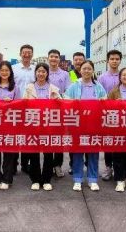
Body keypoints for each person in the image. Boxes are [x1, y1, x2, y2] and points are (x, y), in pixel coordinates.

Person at [65, 60, 107, 192]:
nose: (87, 71)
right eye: (84, 68)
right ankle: (77, 179)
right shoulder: (74, 85)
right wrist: (73, 102)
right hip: (78, 125)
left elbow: (105, 102)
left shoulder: (98, 86)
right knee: (77, 152)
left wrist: (102, 101)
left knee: (93, 153)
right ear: (80, 70)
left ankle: (92, 179)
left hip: (94, 124)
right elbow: (65, 101)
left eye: (89, 69)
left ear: (93, 71)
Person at [23, 63, 62, 191]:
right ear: (35, 73)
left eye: (43, 71)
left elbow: (61, 104)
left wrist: (58, 100)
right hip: (33, 124)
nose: (41, 74)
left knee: (48, 154)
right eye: (39, 71)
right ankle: (35, 179)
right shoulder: (29, 88)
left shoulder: (53, 88)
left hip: (49, 125)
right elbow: (23, 104)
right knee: (33, 153)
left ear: (47, 73)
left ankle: (46, 179)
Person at [0, 61, 21, 190]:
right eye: (2, 70)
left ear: (10, 73)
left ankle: (7, 178)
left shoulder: (15, 87)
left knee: (9, 153)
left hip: (9, 124)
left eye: (7, 70)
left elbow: (19, 105)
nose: (4, 73)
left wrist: (12, 103)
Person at [98, 49, 122, 181]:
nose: (114, 61)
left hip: (122, 115)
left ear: (120, 61)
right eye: (112, 59)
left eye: (117, 59)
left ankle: (121, 168)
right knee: (108, 142)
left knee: (120, 142)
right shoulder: (102, 78)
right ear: (108, 61)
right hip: (107, 114)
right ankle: (108, 167)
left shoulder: (124, 75)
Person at [12, 44, 36, 174]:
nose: (27, 55)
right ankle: (14, 163)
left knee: (28, 137)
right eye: (24, 52)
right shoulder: (13, 68)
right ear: (20, 54)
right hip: (16, 107)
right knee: (16, 137)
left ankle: (26, 164)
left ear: (32, 54)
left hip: (32, 108)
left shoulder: (36, 69)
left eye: (29, 53)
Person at [47, 49, 70, 178]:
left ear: (59, 59)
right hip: (46, 111)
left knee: (59, 139)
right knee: (48, 138)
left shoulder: (66, 74)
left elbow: (67, 91)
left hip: (60, 110)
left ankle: (58, 165)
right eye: (51, 57)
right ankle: (49, 165)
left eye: (56, 57)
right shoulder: (43, 71)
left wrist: (59, 98)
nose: (54, 59)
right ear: (48, 58)